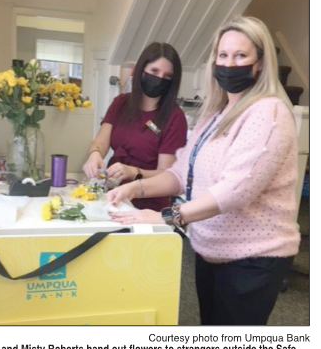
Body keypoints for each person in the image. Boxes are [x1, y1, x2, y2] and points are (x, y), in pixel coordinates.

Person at [107, 16, 301, 326]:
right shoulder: (216, 113)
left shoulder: (268, 111)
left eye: (241, 56)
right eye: (223, 56)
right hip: (209, 249)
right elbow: (182, 173)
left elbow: (235, 191)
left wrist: (163, 217)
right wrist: (137, 188)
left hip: (252, 258)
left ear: (261, 63)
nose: (229, 64)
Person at [82, 41, 187, 210]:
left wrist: (134, 172)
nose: (159, 79)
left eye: (167, 76)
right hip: (114, 196)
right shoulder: (120, 103)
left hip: (148, 206)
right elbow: (100, 142)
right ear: (141, 70)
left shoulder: (175, 118)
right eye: (154, 71)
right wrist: (94, 155)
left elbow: (167, 174)